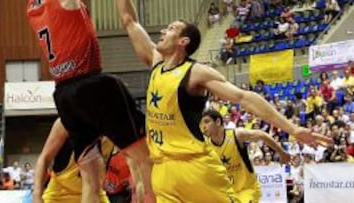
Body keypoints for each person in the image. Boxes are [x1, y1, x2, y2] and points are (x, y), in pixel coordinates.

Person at [116, 0, 331, 202]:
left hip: (194, 168)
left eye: (171, 28)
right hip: (161, 171)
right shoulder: (156, 64)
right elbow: (129, 21)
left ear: (184, 42)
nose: (163, 31)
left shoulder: (195, 72)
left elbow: (244, 97)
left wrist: (293, 129)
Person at [26, 1, 153, 203]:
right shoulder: (61, 3)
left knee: (91, 181)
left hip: (64, 94)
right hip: (90, 84)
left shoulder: (33, 9)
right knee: (145, 158)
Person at [201, 109, 291, 203]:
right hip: (228, 193)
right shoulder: (206, 146)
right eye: (202, 123)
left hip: (247, 190)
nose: (204, 126)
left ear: (218, 122)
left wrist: (282, 153)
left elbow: (262, 135)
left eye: (207, 122)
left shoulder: (236, 134)